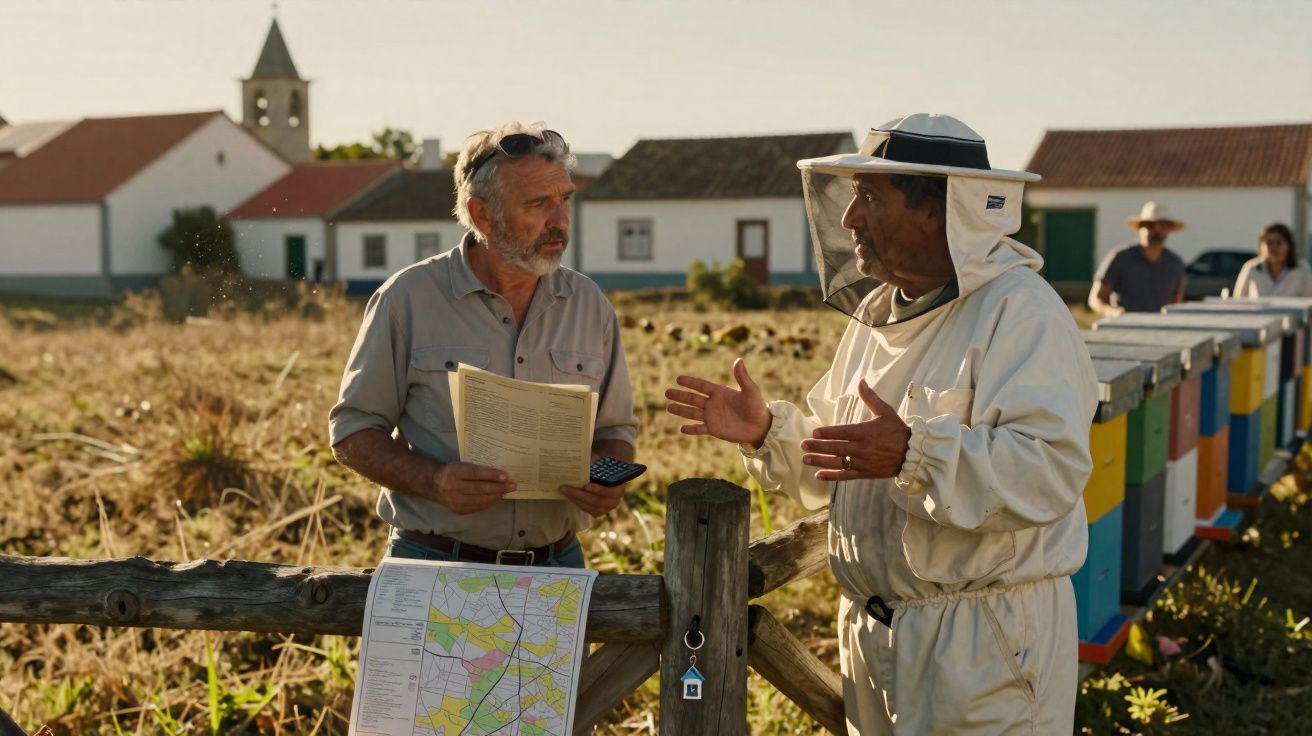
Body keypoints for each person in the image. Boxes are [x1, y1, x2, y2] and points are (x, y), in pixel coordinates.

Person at [666, 114, 1097, 734]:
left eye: (870, 198)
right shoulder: (876, 315)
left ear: (936, 210)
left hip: (982, 648)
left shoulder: (1021, 313)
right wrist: (768, 432)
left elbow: (1049, 472)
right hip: (873, 636)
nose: (848, 219)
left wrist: (914, 454)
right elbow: (840, 461)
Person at [329, 122, 639, 567]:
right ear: (482, 216)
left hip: (557, 566)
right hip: (433, 563)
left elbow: (616, 432)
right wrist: (434, 480)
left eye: (565, 199)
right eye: (538, 204)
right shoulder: (408, 300)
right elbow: (353, 433)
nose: (561, 222)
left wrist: (610, 479)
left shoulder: (589, 304)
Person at [1088, 201, 1186, 317]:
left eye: (1163, 225)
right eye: (1150, 225)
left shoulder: (1175, 263)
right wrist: (1113, 312)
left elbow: (1176, 303)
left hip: (1161, 329)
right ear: (1140, 227)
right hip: (1125, 329)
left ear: (1169, 229)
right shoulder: (1121, 257)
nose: (1157, 230)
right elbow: (1095, 299)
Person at [1232, 222, 1312, 298]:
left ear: (1289, 246)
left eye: (1278, 243)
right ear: (1261, 246)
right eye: (1269, 243)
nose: (1274, 248)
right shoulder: (1252, 268)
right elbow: (1239, 298)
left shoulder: (1302, 269)